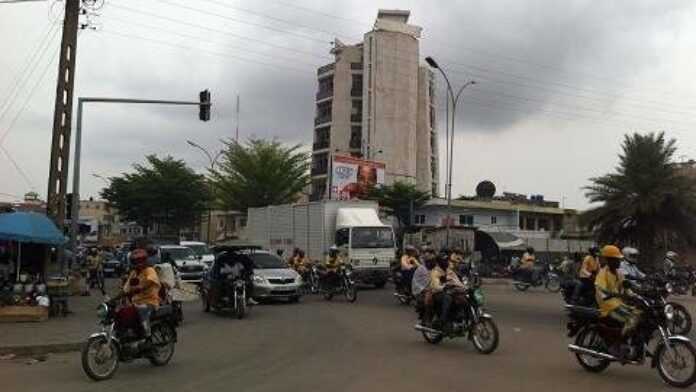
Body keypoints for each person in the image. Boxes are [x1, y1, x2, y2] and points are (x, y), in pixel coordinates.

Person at [595, 245, 641, 337]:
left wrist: (636, 296)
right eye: (616, 259)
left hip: (618, 303)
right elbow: (600, 290)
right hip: (608, 306)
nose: (619, 261)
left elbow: (626, 287)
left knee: (639, 313)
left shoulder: (619, 273)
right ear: (609, 260)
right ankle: (619, 340)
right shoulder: (603, 273)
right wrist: (609, 295)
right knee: (631, 318)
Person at [123, 249, 161, 339]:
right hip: (135, 302)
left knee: (142, 309)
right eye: (135, 261)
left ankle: (147, 334)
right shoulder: (133, 273)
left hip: (150, 302)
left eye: (139, 261)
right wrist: (113, 299)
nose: (138, 264)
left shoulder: (149, 270)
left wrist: (140, 287)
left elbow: (151, 280)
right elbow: (126, 289)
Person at [412, 251, 438, 326]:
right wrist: (423, 289)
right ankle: (426, 318)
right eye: (431, 261)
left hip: (434, 289)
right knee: (429, 299)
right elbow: (415, 282)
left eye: (434, 261)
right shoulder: (421, 269)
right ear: (427, 262)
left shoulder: (435, 269)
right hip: (421, 291)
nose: (433, 263)